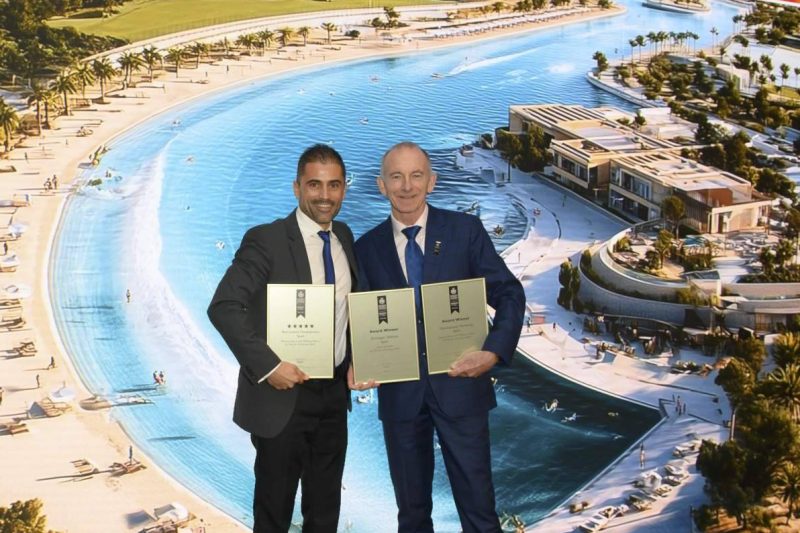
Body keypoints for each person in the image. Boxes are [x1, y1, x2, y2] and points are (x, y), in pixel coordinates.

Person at [354, 142, 525, 533]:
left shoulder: (465, 232)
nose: (406, 186)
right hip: (400, 397)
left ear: (432, 181)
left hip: (462, 388)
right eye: (396, 177)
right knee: (412, 517)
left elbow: (509, 294)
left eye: (416, 175)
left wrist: (493, 352)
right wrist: (355, 361)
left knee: (480, 512)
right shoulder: (365, 248)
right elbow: (358, 317)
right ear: (381, 185)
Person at [208, 144, 356, 533]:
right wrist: (269, 366)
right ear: (296, 188)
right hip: (283, 398)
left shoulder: (343, 236)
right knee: (274, 515)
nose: (325, 195)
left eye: (334, 185)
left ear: (344, 188)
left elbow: (348, 310)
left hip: (334, 397)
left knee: (325, 513)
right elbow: (224, 306)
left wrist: (359, 358)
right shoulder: (267, 240)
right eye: (314, 185)